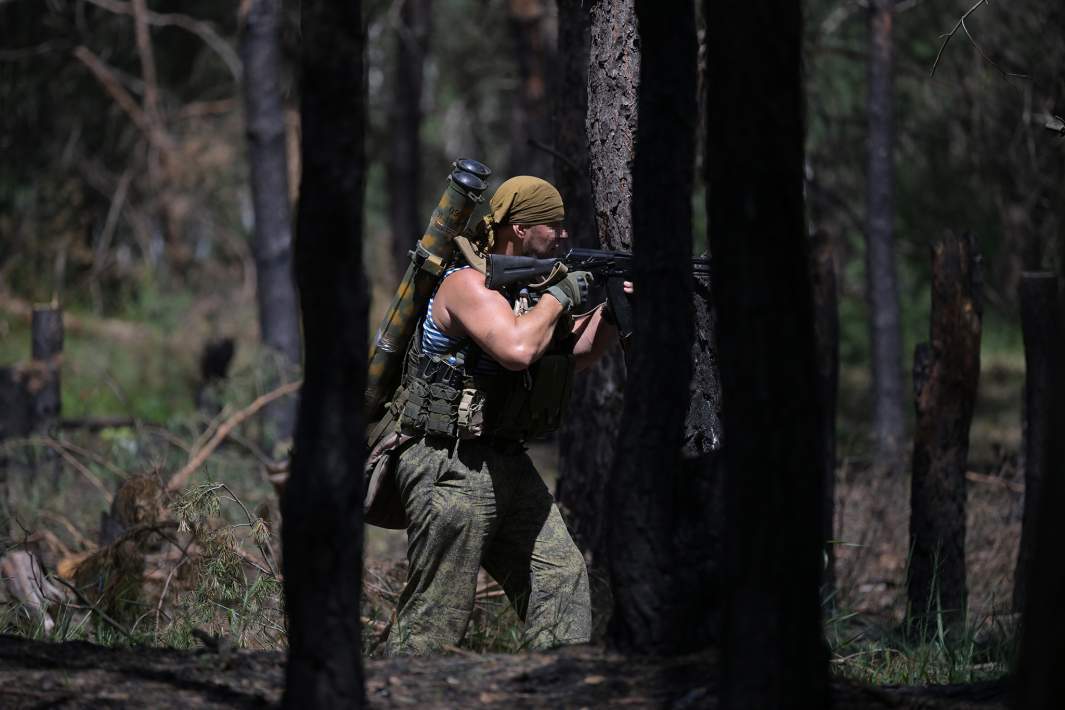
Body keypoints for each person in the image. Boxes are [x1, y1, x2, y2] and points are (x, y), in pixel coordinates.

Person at [380, 176, 627, 656]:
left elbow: (566, 353)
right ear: (516, 229)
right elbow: (517, 348)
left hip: (503, 461)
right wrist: (560, 295)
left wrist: (611, 312)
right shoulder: (465, 284)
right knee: (437, 615)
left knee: (561, 575)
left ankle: (557, 685)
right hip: (448, 464)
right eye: (550, 225)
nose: (561, 234)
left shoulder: (526, 290)